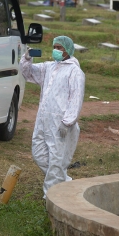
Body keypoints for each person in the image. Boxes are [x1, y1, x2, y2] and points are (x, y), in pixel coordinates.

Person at [20, 36, 85, 198]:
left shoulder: (75, 72)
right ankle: (63, 181)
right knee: (38, 153)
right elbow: (27, 73)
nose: (56, 50)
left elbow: (76, 98)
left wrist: (68, 122)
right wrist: (27, 58)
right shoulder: (49, 67)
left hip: (60, 123)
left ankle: (52, 197)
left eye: (60, 48)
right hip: (43, 119)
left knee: (56, 160)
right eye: (55, 47)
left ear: (68, 50)